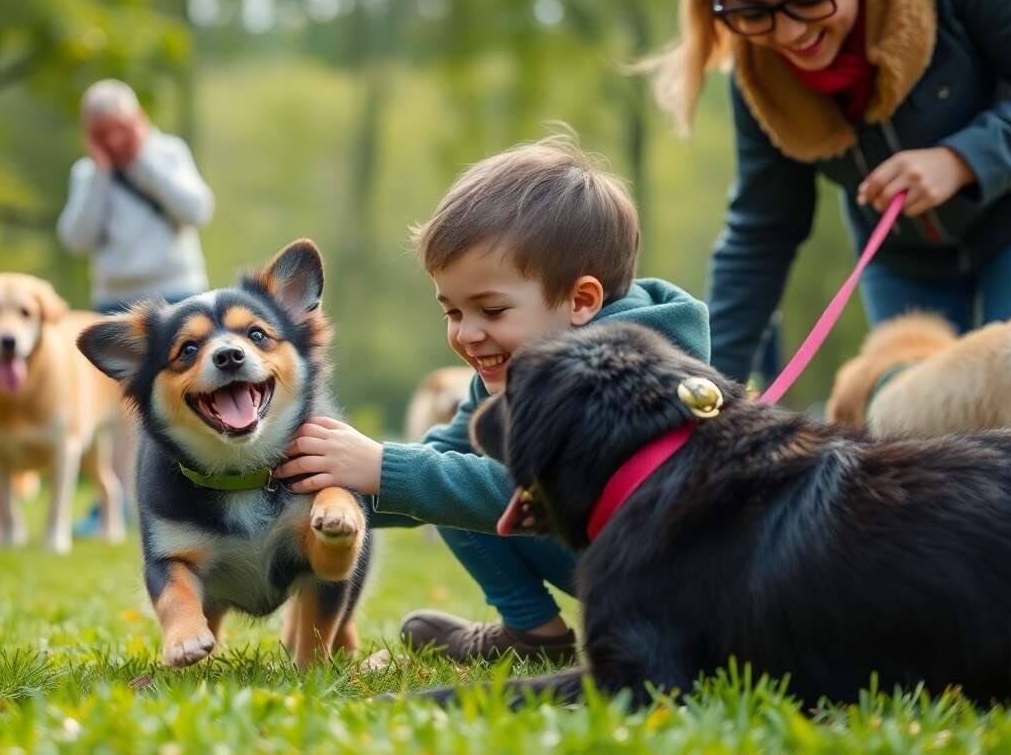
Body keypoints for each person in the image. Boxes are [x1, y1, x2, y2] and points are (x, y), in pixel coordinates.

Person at [274, 136, 711, 662]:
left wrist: (384, 467)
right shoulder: (511, 367)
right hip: (605, 557)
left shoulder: (626, 375)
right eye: (453, 313)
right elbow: (437, 461)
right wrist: (303, 493)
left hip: (680, 587)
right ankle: (534, 635)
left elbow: (545, 495)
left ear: (581, 300)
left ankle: (558, 634)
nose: (467, 335)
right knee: (437, 477)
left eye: (492, 310)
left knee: (437, 481)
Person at [640, 0, 1011, 383]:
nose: (791, 33)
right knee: (916, 425)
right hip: (903, 261)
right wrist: (705, 393)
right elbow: (762, 235)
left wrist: (964, 159)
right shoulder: (761, 79)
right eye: (752, 12)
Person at [57, 79, 215, 536]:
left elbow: (196, 209)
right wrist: (102, 174)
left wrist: (143, 161)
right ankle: (118, 500)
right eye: (102, 132)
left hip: (178, 292)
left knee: (191, 397)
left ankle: (194, 489)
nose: (114, 141)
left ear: (138, 122)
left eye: (121, 129)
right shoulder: (87, 174)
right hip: (115, 300)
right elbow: (76, 237)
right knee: (119, 409)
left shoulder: (168, 153)